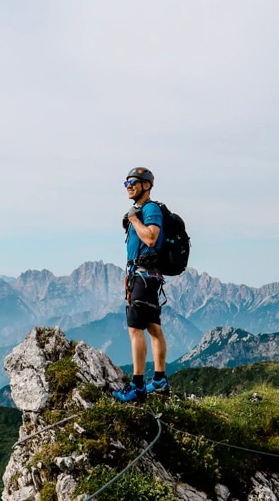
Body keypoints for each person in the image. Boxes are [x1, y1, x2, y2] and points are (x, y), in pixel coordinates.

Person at [113, 167, 170, 403]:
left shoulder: (150, 209)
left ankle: (137, 387)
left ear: (146, 185)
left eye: (133, 182)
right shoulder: (142, 210)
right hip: (144, 277)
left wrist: (134, 219)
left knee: (136, 329)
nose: (129, 185)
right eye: (126, 182)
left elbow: (151, 237)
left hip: (144, 278)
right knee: (153, 327)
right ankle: (159, 380)